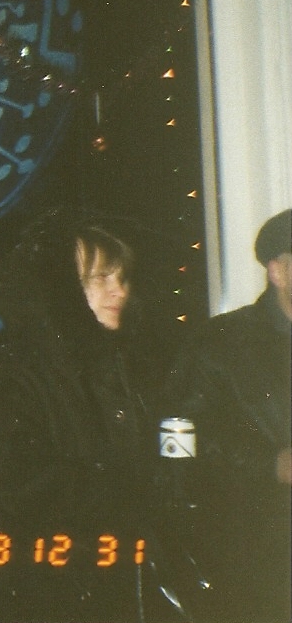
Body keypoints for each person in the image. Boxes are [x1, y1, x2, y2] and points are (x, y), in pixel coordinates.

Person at [0, 210, 176, 623]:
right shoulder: (22, 377)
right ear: (60, 289)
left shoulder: (120, 363)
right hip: (48, 596)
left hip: (111, 585)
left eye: (122, 277)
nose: (119, 290)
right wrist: (139, 484)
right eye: (101, 278)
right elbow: (25, 490)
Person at [168, 208, 291, 622]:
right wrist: (272, 464)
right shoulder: (222, 343)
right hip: (256, 561)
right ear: (278, 271)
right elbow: (180, 444)